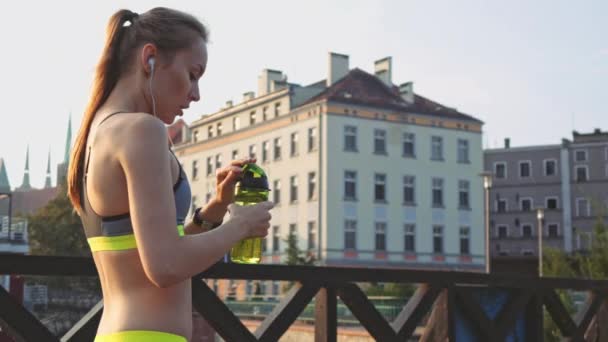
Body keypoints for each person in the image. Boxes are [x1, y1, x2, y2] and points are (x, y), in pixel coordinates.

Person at [67, 7, 274, 342]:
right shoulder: (142, 129)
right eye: (192, 74)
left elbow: (149, 254)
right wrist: (242, 225)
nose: (196, 94)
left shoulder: (100, 133)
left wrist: (216, 209)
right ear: (149, 58)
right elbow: (164, 266)